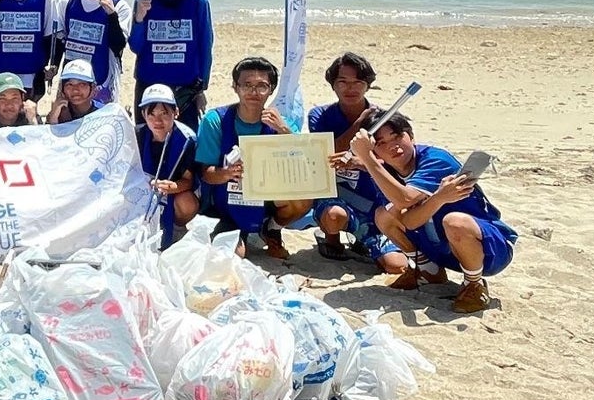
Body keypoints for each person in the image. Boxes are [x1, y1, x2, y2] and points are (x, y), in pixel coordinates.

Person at [350, 114, 516, 314]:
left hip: (488, 248)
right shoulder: (386, 173)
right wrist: (438, 198)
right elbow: (408, 221)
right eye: (381, 143)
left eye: (397, 136)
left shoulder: (435, 159)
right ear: (375, 151)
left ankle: (474, 285)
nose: (393, 146)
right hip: (442, 246)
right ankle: (428, 271)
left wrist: (367, 159)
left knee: (454, 222)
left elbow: (405, 199)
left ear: (411, 136)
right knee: (383, 215)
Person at [195, 56, 317, 261]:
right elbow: (206, 173)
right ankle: (237, 232)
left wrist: (284, 131)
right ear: (235, 87)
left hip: (265, 200)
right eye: (247, 85)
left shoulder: (279, 122)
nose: (253, 92)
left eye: (261, 86)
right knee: (235, 256)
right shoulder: (215, 120)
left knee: (304, 197)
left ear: (271, 89)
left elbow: (307, 167)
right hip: (227, 203)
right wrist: (226, 173)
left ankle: (271, 228)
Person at [131, 0, 215, 129]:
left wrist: (201, 89)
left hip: (185, 89)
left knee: (185, 141)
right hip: (149, 85)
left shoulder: (198, 0)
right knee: (146, 140)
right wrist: (139, 20)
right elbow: (136, 47)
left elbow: (205, 47)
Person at [307, 52, 382, 260]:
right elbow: (326, 153)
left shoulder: (384, 119)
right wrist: (360, 123)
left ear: (367, 85)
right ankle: (330, 238)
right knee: (334, 216)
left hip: (372, 195)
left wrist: (361, 163)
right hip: (335, 191)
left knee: (393, 264)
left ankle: (363, 238)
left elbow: (396, 163)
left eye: (358, 82)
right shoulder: (319, 115)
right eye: (343, 82)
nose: (350, 88)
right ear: (333, 85)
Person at [53, 0, 132, 109]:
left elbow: (118, 46)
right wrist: (53, 67)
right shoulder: (67, 2)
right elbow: (59, 42)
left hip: (103, 83)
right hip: (69, 84)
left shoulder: (120, 6)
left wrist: (111, 15)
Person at [136, 84, 199, 246]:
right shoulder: (137, 135)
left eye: (164, 113)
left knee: (187, 203)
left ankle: (177, 228)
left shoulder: (187, 140)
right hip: (143, 190)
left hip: (172, 191)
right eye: (151, 114)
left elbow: (188, 180)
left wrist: (173, 187)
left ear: (175, 112)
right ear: (143, 115)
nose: (157, 121)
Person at [46, 58, 102, 124]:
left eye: (82, 84)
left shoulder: (103, 113)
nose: (75, 90)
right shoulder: (58, 112)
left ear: (93, 87)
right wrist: (53, 118)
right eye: (69, 85)